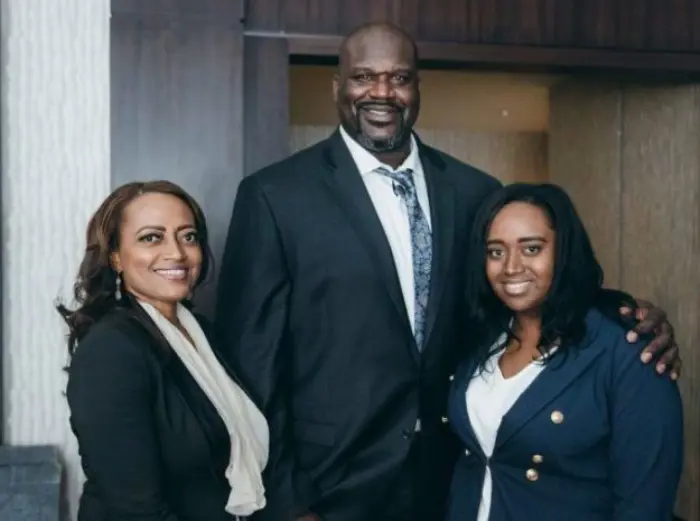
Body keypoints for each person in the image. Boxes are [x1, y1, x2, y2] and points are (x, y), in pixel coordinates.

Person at [215, 22, 680, 521]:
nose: (381, 92)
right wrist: (288, 502)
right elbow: (250, 366)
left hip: (451, 483)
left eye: (399, 78)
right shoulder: (274, 196)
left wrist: (623, 314)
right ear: (337, 87)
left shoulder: (474, 191)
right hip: (328, 490)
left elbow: (514, 290)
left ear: (417, 89)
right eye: (364, 77)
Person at [446, 183, 683, 521]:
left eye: (531, 249)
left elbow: (644, 504)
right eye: (495, 252)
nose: (511, 267)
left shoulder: (629, 350)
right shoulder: (482, 338)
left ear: (564, 251)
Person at [60, 181, 269, 521]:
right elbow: (135, 509)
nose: (177, 253)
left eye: (188, 236)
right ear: (115, 256)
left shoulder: (202, 334)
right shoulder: (112, 350)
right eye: (151, 238)